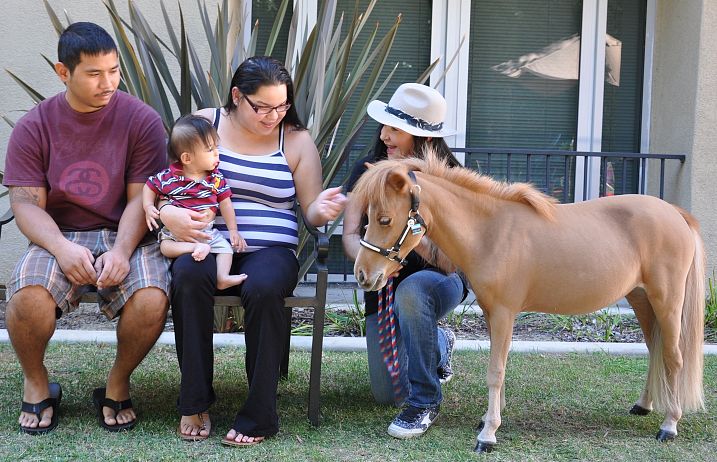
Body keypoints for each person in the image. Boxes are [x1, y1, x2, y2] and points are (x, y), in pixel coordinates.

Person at [158, 56, 346, 444]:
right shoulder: (202, 124)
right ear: (236, 97)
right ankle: (194, 400)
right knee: (189, 279)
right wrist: (168, 212)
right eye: (261, 107)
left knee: (262, 288)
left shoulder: (295, 140)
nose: (272, 115)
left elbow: (310, 209)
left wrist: (320, 209)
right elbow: (169, 184)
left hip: (270, 249)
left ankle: (260, 414)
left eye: (281, 106)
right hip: (206, 241)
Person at [2, 22, 170, 434]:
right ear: (64, 72)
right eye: (94, 73)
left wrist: (121, 251)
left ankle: (117, 381)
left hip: (125, 230)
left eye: (114, 70)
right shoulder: (35, 126)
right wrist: (60, 248)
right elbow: (25, 206)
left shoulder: (141, 121)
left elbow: (140, 199)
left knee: (151, 298)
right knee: (26, 297)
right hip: (59, 232)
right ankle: (37, 380)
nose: (108, 82)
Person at [343, 83, 468, 439]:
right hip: (383, 286)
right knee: (387, 393)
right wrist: (374, 262)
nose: (384, 135)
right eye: (385, 126)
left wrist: (405, 248)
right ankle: (436, 342)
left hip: (434, 281)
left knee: (411, 293)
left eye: (396, 129)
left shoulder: (447, 180)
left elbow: (454, 263)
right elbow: (350, 236)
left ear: (423, 139)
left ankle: (427, 391)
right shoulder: (367, 171)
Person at [143, 114, 248, 290]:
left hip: (206, 233)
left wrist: (233, 230)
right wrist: (148, 206)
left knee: (225, 249)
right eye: (209, 149)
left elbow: (226, 203)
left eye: (216, 147)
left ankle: (222, 277)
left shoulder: (215, 178)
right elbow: (150, 186)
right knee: (165, 247)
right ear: (187, 158)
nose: (217, 153)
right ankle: (193, 247)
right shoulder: (169, 177)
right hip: (175, 232)